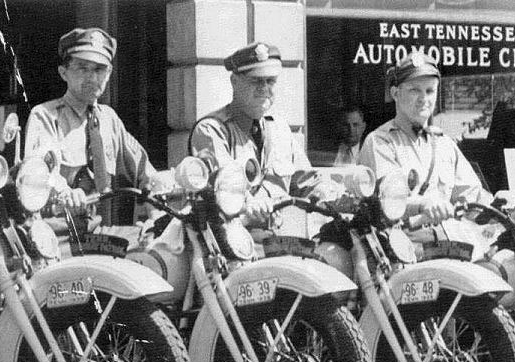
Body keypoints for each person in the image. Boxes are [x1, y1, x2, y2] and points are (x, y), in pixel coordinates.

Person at [23, 27, 156, 228]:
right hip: (57, 235)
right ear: (63, 72)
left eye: (99, 69)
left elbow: (143, 170)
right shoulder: (45, 116)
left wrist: (163, 188)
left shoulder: (109, 119)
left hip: (99, 232)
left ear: (109, 73)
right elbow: (40, 172)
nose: (92, 78)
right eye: (83, 68)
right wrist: (65, 193)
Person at [358, 52, 490, 225]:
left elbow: (473, 195)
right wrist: (423, 204)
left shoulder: (444, 144)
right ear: (395, 93)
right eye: (415, 90)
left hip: (446, 243)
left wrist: (503, 202)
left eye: (430, 91)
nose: (424, 99)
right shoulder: (380, 142)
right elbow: (389, 198)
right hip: (398, 244)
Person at [189, 42, 311, 220]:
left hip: (280, 240)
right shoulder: (212, 130)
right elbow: (225, 184)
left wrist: (333, 195)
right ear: (235, 82)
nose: (264, 88)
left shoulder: (280, 130)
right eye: (256, 81)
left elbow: (307, 182)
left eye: (270, 81)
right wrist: (250, 202)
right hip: (232, 240)